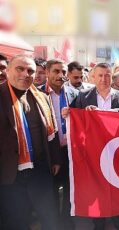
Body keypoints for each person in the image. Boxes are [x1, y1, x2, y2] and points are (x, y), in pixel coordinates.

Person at [0, 55, 61, 230]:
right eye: (20, 68)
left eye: (31, 71)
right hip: (10, 174)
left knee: (50, 218)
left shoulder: (42, 97)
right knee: (16, 221)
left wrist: (56, 159)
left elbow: (53, 132)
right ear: (8, 70)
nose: (26, 74)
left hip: (40, 170)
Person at [63, 62, 119, 230]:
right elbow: (74, 116)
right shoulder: (83, 96)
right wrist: (68, 113)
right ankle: (98, 220)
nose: (104, 79)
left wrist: (115, 113)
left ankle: (116, 217)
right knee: (96, 185)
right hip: (92, 150)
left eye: (107, 75)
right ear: (92, 77)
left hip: (114, 149)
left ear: (112, 77)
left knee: (115, 185)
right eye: (100, 75)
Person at [44, 59, 79, 229]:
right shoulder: (37, 94)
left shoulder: (74, 93)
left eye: (63, 72)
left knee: (68, 187)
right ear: (47, 72)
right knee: (49, 190)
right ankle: (52, 222)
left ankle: (66, 219)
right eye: (56, 71)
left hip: (69, 150)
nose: (60, 75)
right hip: (49, 151)